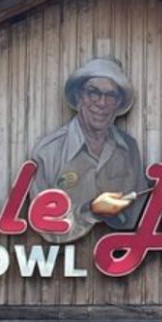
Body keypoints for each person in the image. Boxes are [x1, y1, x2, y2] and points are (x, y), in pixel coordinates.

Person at [30, 57, 148, 243]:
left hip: (120, 256)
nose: (101, 103)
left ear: (118, 103)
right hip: (58, 259)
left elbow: (139, 215)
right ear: (79, 97)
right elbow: (47, 226)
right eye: (93, 93)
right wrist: (92, 211)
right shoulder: (48, 152)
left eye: (111, 95)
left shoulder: (129, 148)